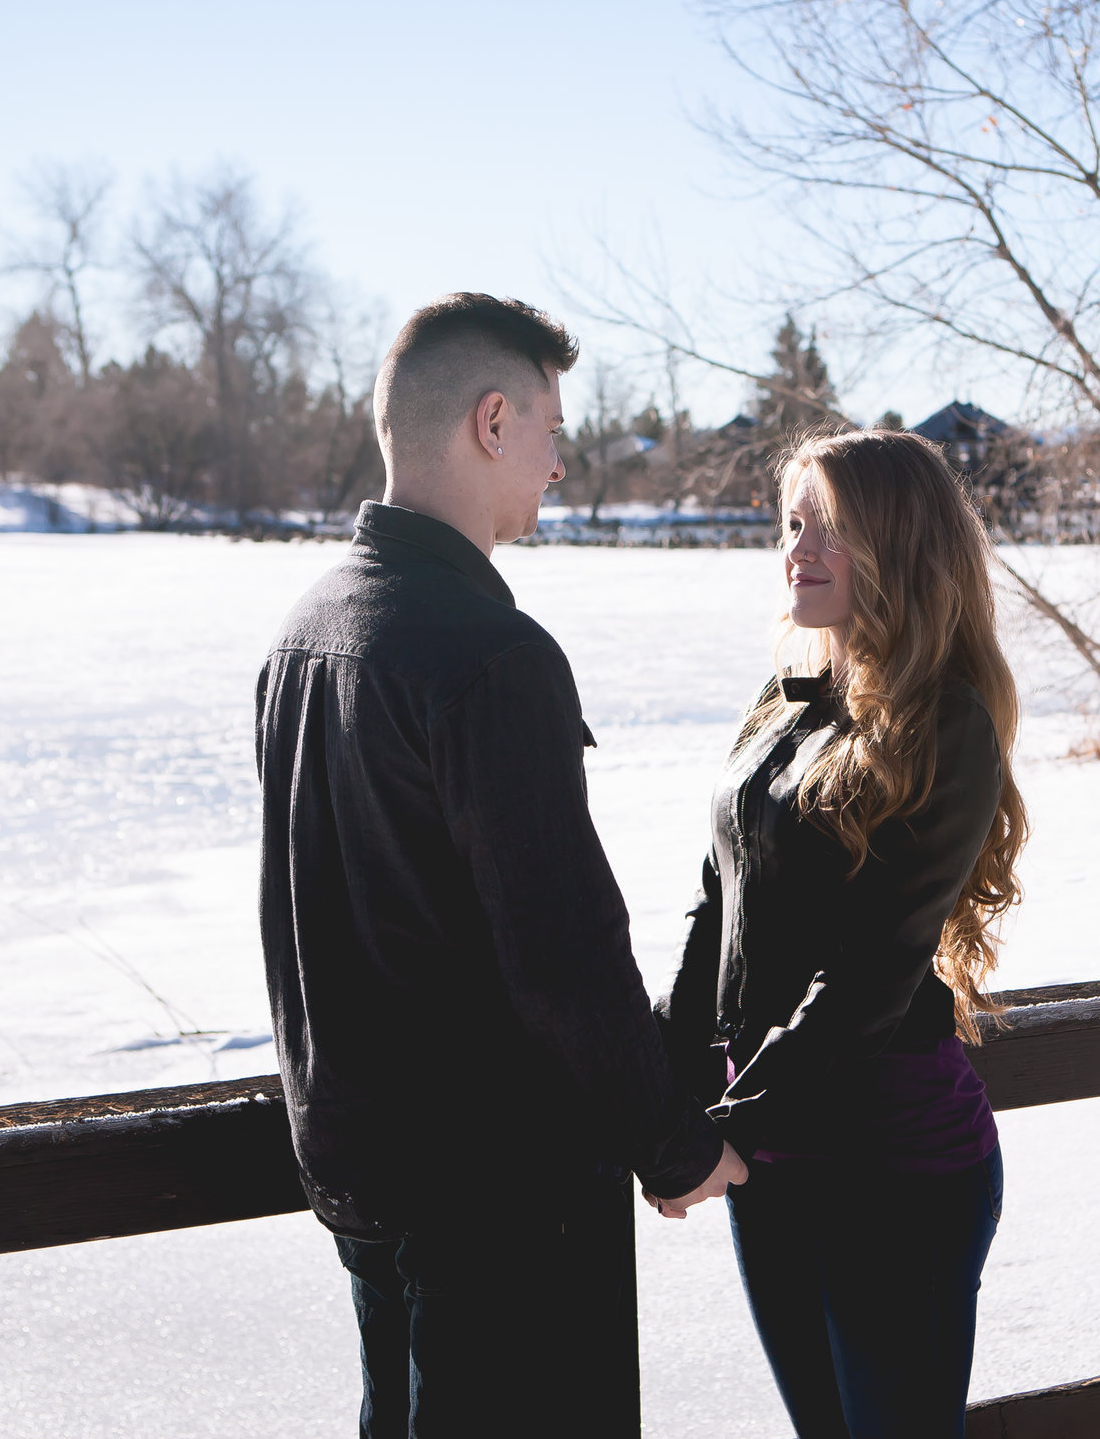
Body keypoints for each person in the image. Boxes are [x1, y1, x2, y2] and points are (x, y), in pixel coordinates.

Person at [256, 293, 748, 1439]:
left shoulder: (304, 630)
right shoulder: (491, 655)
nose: (561, 463)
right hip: (496, 1200)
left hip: (363, 1177)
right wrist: (673, 1143)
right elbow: (561, 948)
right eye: (551, 428)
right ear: (490, 422)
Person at [655, 428, 1030, 1439]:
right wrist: (666, 1093)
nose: (798, 547)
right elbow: (713, 912)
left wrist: (719, 1126)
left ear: (900, 546)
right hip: (769, 1155)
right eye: (792, 522)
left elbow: (864, 978)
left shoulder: (942, 723)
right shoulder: (780, 705)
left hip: (889, 1165)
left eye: (833, 527)